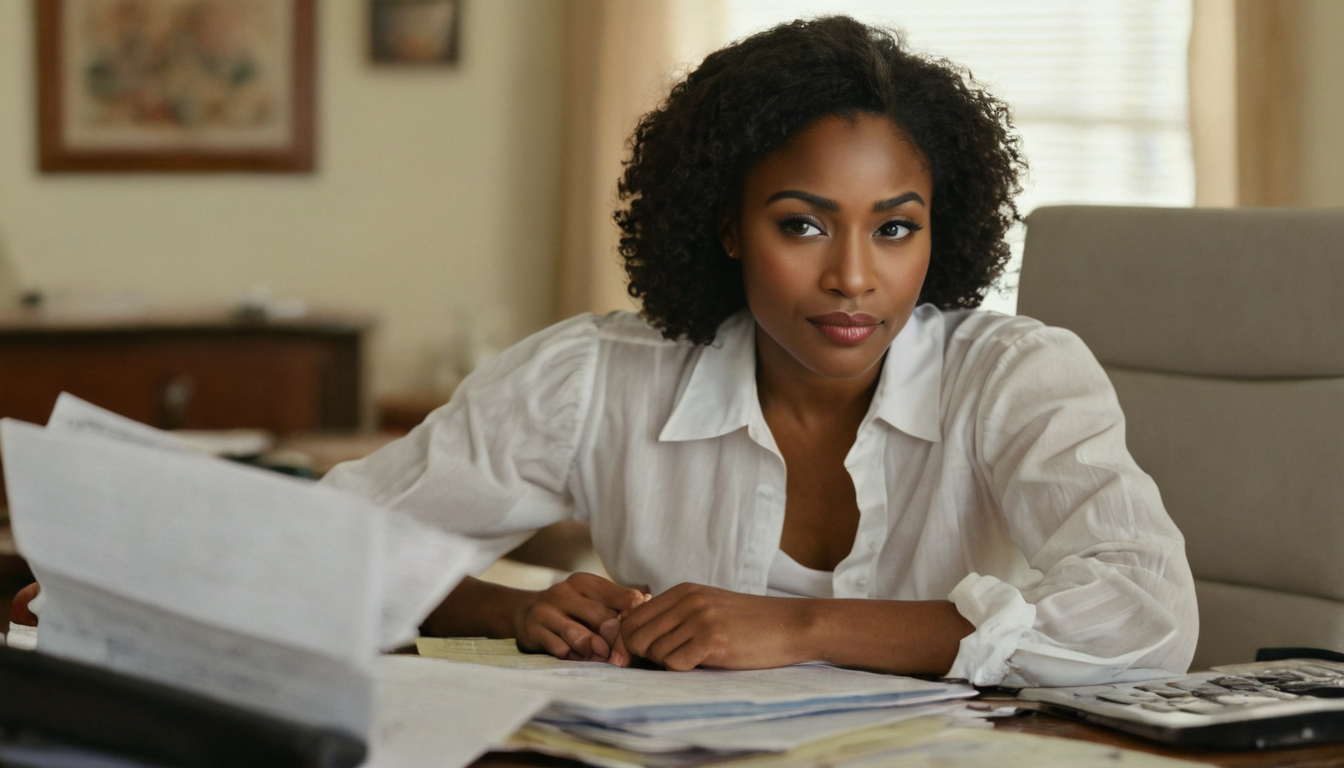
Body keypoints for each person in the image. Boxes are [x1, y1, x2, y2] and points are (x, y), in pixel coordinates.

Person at [12, 16, 1197, 688]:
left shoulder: (1017, 378)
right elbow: (335, 545)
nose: (853, 276)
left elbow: (1146, 616)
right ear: (724, 224)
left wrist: (803, 625)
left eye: (896, 228)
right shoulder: (599, 377)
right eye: (800, 224)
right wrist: (504, 607)